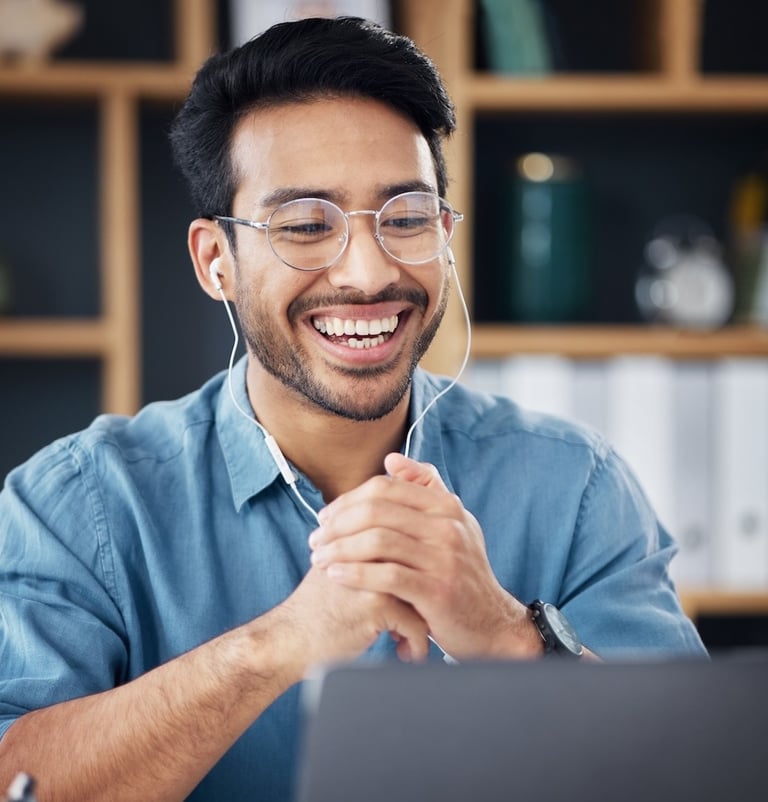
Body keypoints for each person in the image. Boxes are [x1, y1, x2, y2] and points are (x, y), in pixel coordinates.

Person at [0, 15, 706, 802]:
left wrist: (508, 637)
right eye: (305, 226)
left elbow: (694, 777)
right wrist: (278, 645)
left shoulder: (577, 487)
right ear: (215, 262)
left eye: (405, 218)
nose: (368, 273)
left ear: (443, 232)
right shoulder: (76, 504)